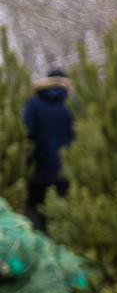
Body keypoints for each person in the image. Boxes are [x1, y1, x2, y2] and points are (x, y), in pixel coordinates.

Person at [22, 68, 74, 232]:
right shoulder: (73, 103)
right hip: (69, 172)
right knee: (67, 213)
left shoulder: (33, 103)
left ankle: (41, 243)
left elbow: (27, 133)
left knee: (36, 211)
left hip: (39, 171)